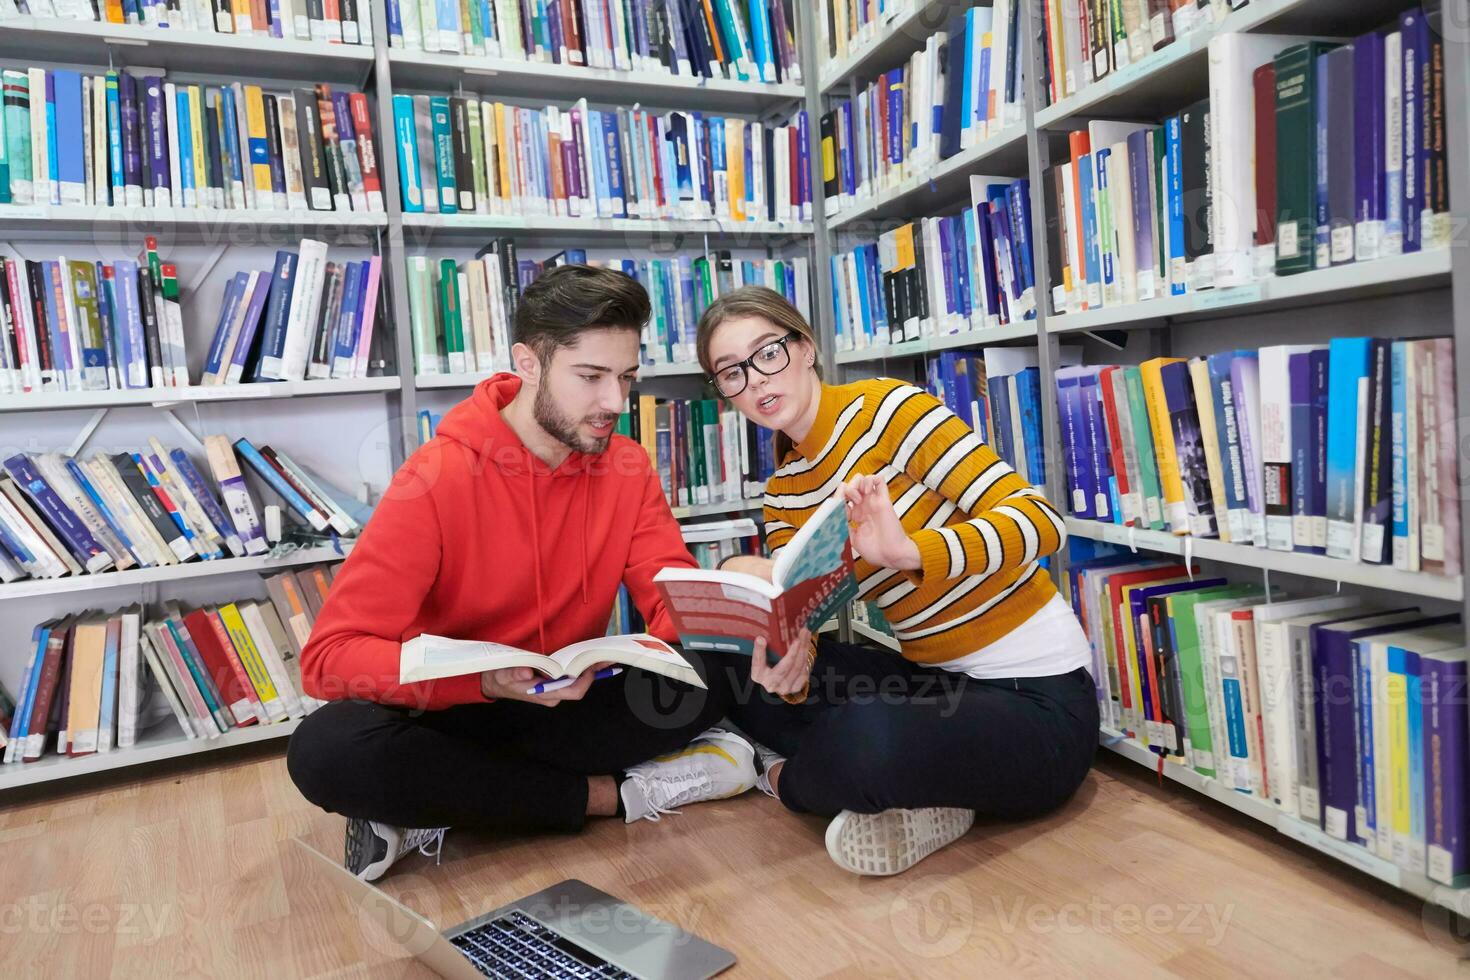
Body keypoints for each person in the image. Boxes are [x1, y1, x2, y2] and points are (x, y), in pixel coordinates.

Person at [288, 265, 757, 882]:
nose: (614, 402)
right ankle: (615, 796)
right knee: (327, 750)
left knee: (723, 665)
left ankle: (443, 805)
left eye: (626, 378)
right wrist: (482, 682)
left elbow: (667, 595)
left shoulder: (627, 466)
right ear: (528, 363)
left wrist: (727, 611)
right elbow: (330, 658)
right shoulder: (435, 479)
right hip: (453, 710)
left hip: (571, 700)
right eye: (590, 377)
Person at [698, 286, 1098, 876]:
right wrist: (790, 669)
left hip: (1035, 697)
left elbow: (1042, 522)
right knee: (725, 663)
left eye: (768, 353)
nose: (755, 381)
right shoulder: (783, 493)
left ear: (805, 348)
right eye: (731, 372)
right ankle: (924, 785)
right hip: (934, 686)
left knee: (867, 738)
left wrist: (912, 551)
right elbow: (801, 612)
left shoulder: (889, 410)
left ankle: (790, 782)